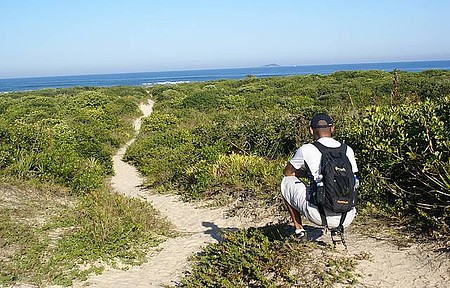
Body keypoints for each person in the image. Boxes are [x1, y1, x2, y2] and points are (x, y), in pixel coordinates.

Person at [281, 112, 358, 241]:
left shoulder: (306, 149)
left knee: (286, 181)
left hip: (319, 216)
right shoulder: (347, 150)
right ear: (332, 128)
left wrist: (308, 174)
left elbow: (287, 172)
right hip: (348, 216)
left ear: (311, 130)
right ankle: (337, 229)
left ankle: (299, 230)